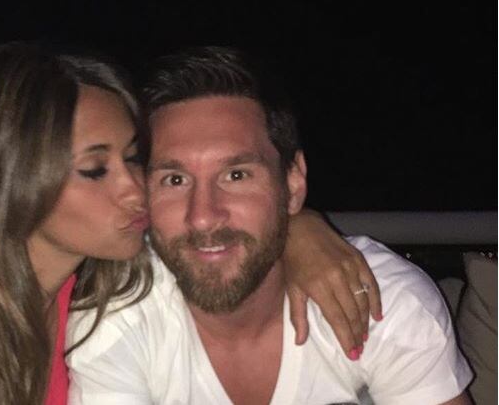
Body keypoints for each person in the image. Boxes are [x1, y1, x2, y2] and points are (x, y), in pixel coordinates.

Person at [0, 42, 380, 405]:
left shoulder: (100, 286)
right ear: (15, 178)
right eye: (96, 170)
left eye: (134, 158)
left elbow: (216, 238)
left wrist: (300, 229)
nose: (135, 188)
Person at [66, 47, 473, 404]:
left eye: (236, 175)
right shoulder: (117, 319)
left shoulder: (379, 301)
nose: (203, 215)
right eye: (175, 180)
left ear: (293, 183)